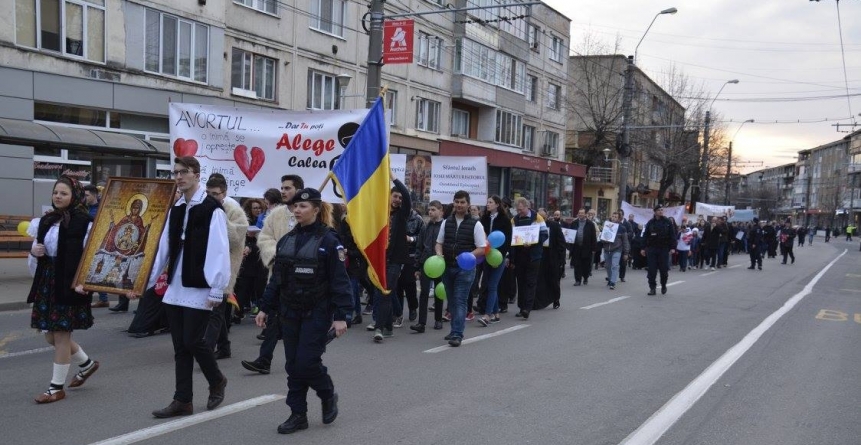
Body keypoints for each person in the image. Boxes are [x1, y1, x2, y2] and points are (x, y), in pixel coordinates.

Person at [134, 156, 230, 418]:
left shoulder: (212, 209)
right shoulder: (176, 207)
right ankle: (183, 400)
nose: (178, 177)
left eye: (184, 172)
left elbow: (219, 249)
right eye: (175, 172)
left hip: (200, 281)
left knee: (193, 340)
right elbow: (165, 246)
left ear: (197, 174)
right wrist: (147, 280)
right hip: (177, 281)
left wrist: (216, 286)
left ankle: (216, 379)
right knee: (180, 346)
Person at [254, 188, 352, 434]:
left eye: (303, 206)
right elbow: (277, 279)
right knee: (292, 365)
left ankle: (327, 394)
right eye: (295, 206)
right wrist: (264, 308)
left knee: (306, 363)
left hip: (317, 312)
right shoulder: (286, 240)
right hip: (289, 311)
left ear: (316, 210)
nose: (297, 210)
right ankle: (298, 414)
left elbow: (340, 280)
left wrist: (342, 316)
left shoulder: (329, 241)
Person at [27, 175, 99, 403]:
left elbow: (91, 256)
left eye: (63, 193)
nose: (58, 196)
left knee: (60, 335)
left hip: (69, 281)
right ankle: (87, 364)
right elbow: (39, 249)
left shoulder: (84, 222)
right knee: (51, 336)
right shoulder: (46, 221)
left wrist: (85, 282)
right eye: (56, 192)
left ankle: (56, 388)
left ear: (74, 196)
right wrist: (34, 252)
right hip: (48, 280)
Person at [242, 175, 303, 375]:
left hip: (303, 280)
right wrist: (277, 254)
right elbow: (265, 238)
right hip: (279, 275)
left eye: (288, 188)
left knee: (299, 323)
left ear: (298, 190)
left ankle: (304, 361)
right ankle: (264, 360)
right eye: (282, 188)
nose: (284, 191)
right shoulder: (276, 215)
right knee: (274, 318)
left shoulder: (308, 213)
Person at [203, 174, 248, 359]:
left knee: (215, 310)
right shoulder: (202, 206)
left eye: (215, 194)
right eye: (208, 193)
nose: (211, 197)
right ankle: (224, 346)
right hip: (207, 265)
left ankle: (206, 351)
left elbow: (235, 239)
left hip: (226, 266)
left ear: (224, 193)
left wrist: (219, 215)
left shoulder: (234, 211)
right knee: (214, 309)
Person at [435, 190, 486, 346]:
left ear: (468, 204)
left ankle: (457, 333)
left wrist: (467, 256)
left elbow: (482, 248)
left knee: (460, 300)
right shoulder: (446, 222)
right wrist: (439, 254)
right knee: (451, 300)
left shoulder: (476, 224)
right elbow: (439, 243)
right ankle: (453, 330)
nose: (459, 205)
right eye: (456, 201)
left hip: (465, 269)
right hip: (447, 266)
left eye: (462, 202)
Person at [369, 178, 411, 342]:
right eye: (395, 196)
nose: (398, 199)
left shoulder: (403, 213)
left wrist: (394, 178)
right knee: (380, 292)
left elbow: (407, 196)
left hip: (395, 260)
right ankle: (388, 326)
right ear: (389, 196)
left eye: (400, 198)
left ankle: (378, 327)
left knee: (385, 292)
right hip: (379, 258)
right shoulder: (381, 214)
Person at [475, 196, 512, 325]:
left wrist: (502, 255)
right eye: (487, 202)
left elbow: (507, 240)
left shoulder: (505, 220)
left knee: (492, 285)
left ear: (497, 204)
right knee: (489, 284)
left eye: (491, 202)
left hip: (498, 256)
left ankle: (487, 315)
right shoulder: (484, 219)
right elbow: (480, 235)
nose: (488, 204)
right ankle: (496, 314)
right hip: (486, 254)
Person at [509, 197, 548, 319]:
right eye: (517, 209)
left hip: (534, 255)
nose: (519, 212)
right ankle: (521, 307)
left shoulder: (538, 218)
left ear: (527, 206)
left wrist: (533, 242)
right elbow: (512, 237)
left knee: (531, 282)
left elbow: (544, 234)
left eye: (521, 209)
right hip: (520, 256)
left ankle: (527, 308)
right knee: (520, 282)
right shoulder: (514, 220)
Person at [411, 200, 445, 332]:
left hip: (440, 264)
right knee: (424, 293)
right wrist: (417, 267)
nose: (430, 212)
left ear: (440, 211)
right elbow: (419, 247)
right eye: (429, 210)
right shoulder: (426, 227)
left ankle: (438, 319)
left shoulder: (444, 226)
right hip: (426, 264)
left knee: (439, 292)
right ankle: (421, 323)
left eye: (433, 210)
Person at [83, 184, 110, 309]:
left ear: (94, 195)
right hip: (86, 243)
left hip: (98, 244)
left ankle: (102, 298)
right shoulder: (84, 207)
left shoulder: (100, 208)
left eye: (87, 195)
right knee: (91, 271)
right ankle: (101, 298)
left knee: (95, 270)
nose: (85, 198)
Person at [641, 205, 677, 296]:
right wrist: (643, 248)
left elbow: (673, 236)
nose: (661, 211)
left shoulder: (667, 222)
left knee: (663, 270)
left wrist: (673, 248)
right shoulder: (650, 222)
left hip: (663, 249)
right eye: (659, 210)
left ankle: (664, 285)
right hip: (652, 249)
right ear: (655, 212)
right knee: (651, 270)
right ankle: (652, 288)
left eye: (662, 210)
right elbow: (645, 236)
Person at [535, 209, 566, 309]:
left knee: (554, 280)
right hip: (540, 257)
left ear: (547, 216)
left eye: (543, 217)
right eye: (539, 217)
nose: (541, 219)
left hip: (552, 258)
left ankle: (556, 299)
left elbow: (561, 243)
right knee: (540, 281)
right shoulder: (535, 226)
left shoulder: (554, 226)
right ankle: (540, 301)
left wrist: (561, 259)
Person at [602, 211, 630, 290]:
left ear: (619, 219)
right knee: (607, 266)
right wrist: (604, 239)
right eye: (613, 216)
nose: (614, 218)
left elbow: (625, 241)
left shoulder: (622, 228)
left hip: (617, 249)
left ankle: (613, 282)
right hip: (607, 249)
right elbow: (602, 238)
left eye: (616, 217)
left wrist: (626, 253)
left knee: (615, 265)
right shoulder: (606, 226)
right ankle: (610, 278)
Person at [570, 208, 597, 285]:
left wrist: (594, 248)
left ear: (585, 214)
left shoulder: (590, 224)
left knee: (586, 265)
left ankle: (585, 277)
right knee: (577, 264)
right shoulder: (574, 223)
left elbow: (593, 237)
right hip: (576, 247)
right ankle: (577, 280)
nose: (580, 214)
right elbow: (570, 234)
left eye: (582, 213)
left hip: (587, 248)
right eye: (579, 213)